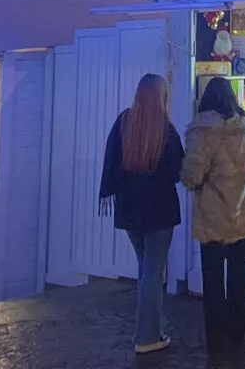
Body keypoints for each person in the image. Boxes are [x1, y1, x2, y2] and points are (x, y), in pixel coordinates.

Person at [99, 73, 185, 355]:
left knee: (145, 270)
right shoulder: (166, 129)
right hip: (159, 211)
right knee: (152, 272)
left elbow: (111, 162)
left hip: (129, 210)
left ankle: (156, 326)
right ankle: (147, 337)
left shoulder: (124, 122)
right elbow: (176, 171)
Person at [182, 78, 245, 355]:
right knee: (240, 275)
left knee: (212, 279)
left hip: (212, 218)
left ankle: (215, 336)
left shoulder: (203, 131)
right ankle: (238, 331)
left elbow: (192, 176)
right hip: (242, 214)